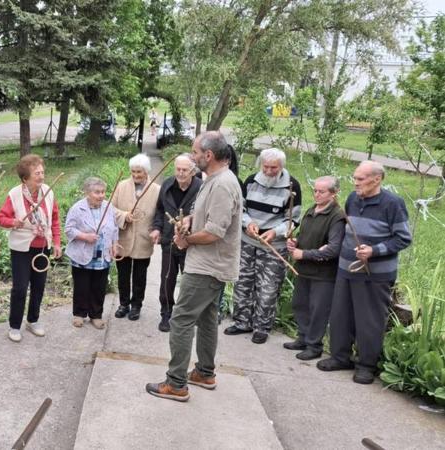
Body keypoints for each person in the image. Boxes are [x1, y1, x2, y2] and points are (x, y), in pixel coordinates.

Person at [146, 130, 243, 402]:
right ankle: (204, 372)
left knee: (181, 319)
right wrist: (189, 219)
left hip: (207, 266)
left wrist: (185, 240)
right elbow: (206, 216)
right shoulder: (212, 179)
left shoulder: (223, 184)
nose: (193, 156)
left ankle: (176, 383)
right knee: (207, 317)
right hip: (209, 264)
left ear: (209, 155)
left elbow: (214, 232)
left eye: (196, 152)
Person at [318, 161, 412, 384]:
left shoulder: (393, 204)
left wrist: (375, 250)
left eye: (360, 179)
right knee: (340, 315)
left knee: (369, 320)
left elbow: (403, 238)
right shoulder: (352, 198)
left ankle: (366, 365)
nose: (355, 183)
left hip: (374, 274)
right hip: (346, 269)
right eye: (355, 178)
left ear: (376, 179)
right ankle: (340, 357)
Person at [225, 148, 302, 344]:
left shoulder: (292, 187)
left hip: (273, 244)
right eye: (265, 167)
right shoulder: (251, 181)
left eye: (273, 168)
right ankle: (242, 321)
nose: (268, 171)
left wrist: (275, 231)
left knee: (267, 287)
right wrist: (247, 222)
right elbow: (241, 209)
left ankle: (262, 327)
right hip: (248, 240)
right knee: (243, 282)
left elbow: (293, 219)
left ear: (282, 167)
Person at [0, 154, 62, 343]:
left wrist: (56, 242)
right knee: (20, 287)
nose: (41, 176)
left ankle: (33, 320)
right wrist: (13, 222)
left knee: (39, 286)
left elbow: (55, 219)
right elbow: (1, 218)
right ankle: (15, 325)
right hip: (22, 249)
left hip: (43, 246)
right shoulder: (15, 194)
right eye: (36, 174)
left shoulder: (48, 192)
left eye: (42, 172)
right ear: (25, 178)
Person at [284, 176, 346, 360]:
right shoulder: (311, 210)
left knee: (318, 310)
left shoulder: (337, 216)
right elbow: (306, 235)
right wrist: (295, 242)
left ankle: (314, 345)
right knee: (300, 305)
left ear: (334, 194)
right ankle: (302, 338)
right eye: (315, 191)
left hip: (324, 274)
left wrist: (304, 254)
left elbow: (333, 249)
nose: (317, 194)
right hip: (304, 270)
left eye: (322, 191)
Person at [150, 154, 203, 331]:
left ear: (193, 171)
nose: (180, 173)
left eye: (184, 170)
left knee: (190, 281)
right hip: (168, 240)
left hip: (192, 242)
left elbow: (206, 215)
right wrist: (156, 228)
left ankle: (187, 315)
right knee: (167, 278)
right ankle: (166, 313)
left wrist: (190, 222)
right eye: (178, 169)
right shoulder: (167, 184)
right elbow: (159, 209)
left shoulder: (201, 188)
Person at [65, 177, 119, 330]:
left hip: (102, 255)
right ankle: (79, 314)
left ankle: (96, 315)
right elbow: (69, 230)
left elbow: (115, 228)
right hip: (82, 254)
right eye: (97, 192)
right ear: (87, 193)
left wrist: (115, 244)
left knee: (99, 286)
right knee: (82, 286)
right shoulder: (77, 208)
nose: (101, 195)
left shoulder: (108, 207)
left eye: (102, 192)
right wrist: (85, 236)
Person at [111, 154, 159, 322]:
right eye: (133, 172)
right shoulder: (122, 186)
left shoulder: (156, 189)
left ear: (146, 171)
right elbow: (111, 208)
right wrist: (124, 216)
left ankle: (136, 305)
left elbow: (159, 214)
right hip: (123, 238)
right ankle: (123, 304)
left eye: (139, 172)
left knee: (140, 275)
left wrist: (156, 230)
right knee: (123, 274)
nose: (136, 175)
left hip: (143, 239)